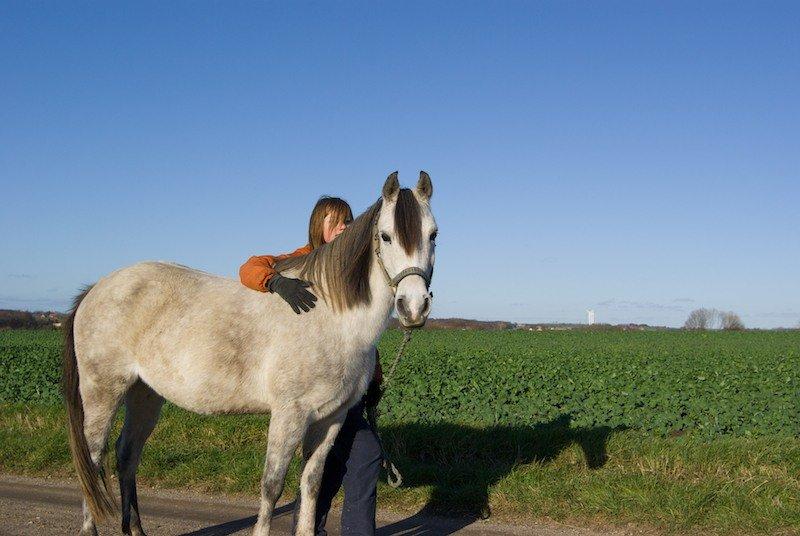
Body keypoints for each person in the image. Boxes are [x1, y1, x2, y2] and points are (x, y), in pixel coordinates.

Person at [239, 196, 384, 536]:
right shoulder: (300, 260)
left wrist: (373, 377)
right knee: (338, 461)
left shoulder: (351, 272)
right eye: (335, 221)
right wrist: (275, 281)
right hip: (309, 391)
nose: (343, 227)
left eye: (348, 221)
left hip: (345, 390)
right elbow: (249, 268)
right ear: (318, 225)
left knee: (359, 458)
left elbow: (359, 338)